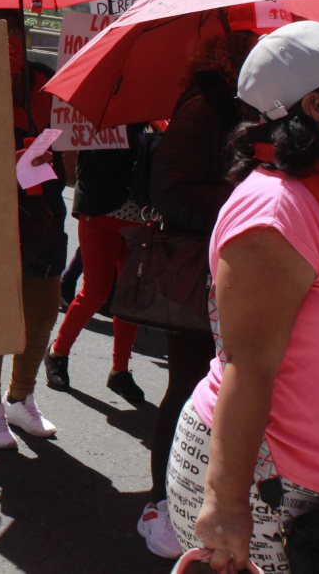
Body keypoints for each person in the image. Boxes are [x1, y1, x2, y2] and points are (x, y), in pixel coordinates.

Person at [167, 21, 319, 573]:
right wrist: (226, 505)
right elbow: (248, 367)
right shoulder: (276, 211)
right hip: (271, 495)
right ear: (317, 106)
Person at [138, 28, 260, 558]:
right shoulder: (202, 111)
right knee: (190, 389)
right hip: (196, 276)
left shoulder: (254, 114)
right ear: (232, 63)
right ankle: (161, 504)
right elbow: (169, 192)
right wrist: (245, 195)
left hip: (238, 274)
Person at [0, 8, 68, 450]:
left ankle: (20, 398)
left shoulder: (46, 81)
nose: (8, 43)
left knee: (43, 310)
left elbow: (68, 158)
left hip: (44, 213)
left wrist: (52, 159)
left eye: (14, 32)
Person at [45, 137, 147, 403]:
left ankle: (120, 371)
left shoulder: (156, 120)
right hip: (99, 213)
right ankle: (58, 352)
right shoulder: (103, 117)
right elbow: (90, 168)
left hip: (140, 220)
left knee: (129, 298)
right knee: (96, 292)